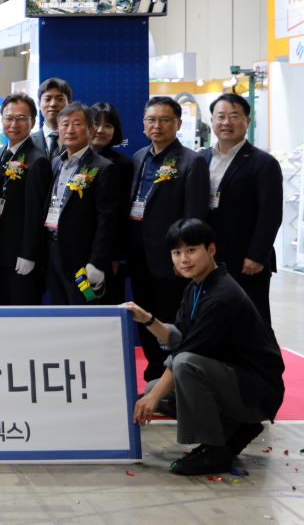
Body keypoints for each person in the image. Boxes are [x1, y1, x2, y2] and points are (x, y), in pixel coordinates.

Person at [125, 219, 284, 476]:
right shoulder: (197, 287)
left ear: (211, 250)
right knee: (156, 389)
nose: (184, 259)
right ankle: (235, 428)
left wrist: (150, 401)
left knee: (184, 366)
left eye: (191, 250)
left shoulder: (222, 295)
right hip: (233, 379)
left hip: (256, 391)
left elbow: (186, 353)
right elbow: (178, 336)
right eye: (177, 252)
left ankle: (214, 451)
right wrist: (147, 319)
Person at [128, 96, 210, 383]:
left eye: (164, 120)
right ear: (143, 124)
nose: (157, 126)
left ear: (178, 123)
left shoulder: (191, 161)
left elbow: (194, 216)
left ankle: (173, 378)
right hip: (139, 256)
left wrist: (184, 258)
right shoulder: (138, 157)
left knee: (171, 319)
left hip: (171, 259)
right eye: (151, 120)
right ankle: (153, 372)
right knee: (145, 316)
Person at [202, 93, 282, 325]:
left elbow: (271, 214)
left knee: (252, 320)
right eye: (220, 116)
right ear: (212, 121)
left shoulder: (263, 163)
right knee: (213, 320)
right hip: (209, 257)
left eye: (234, 116)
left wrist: (257, 255)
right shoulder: (201, 158)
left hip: (246, 260)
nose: (226, 122)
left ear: (247, 121)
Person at [40, 103, 118, 305]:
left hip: (82, 256)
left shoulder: (103, 167)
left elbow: (107, 220)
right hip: (53, 250)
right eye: (65, 124)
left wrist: (97, 262)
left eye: (77, 124)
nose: (70, 130)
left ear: (90, 130)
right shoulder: (56, 162)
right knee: (59, 309)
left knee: (84, 311)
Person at [0, 93, 51, 306]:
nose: (14, 124)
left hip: (19, 255)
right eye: (9, 118)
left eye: (21, 118)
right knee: (0, 309)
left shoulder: (37, 160)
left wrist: (28, 253)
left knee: (22, 310)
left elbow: (35, 212)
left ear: (32, 122)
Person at [90, 101, 134, 305]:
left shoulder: (123, 165)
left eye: (108, 125)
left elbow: (121, 215)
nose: (100, 130)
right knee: (78, 306)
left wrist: (116, 256)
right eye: (96, 123)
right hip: (76, 250)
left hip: (107, 255)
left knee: (104, 306)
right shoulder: (71, 159)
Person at [30, 77, 72, 159]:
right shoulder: (28, 142)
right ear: (39, 104)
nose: (53, 104)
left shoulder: (78, 140)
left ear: (69, 104)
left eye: (60, 99)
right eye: (47, 99)